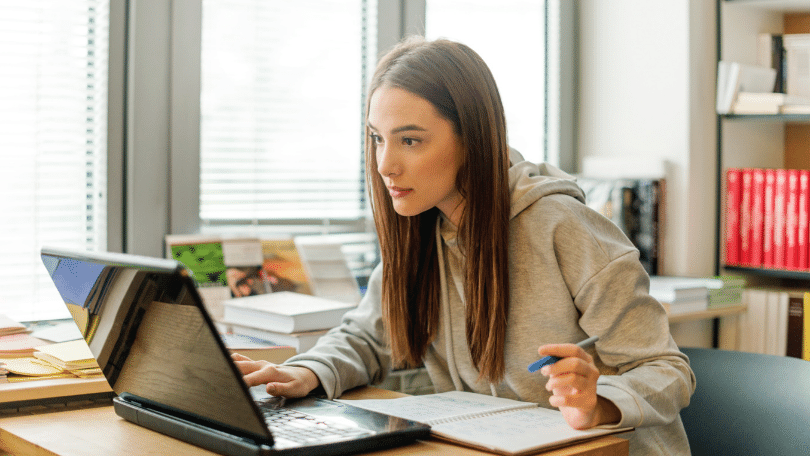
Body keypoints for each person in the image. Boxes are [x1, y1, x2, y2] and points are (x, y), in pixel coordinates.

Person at [232, 36, 696, 455]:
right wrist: (306, 372)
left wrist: (598, 404)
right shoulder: (421, 228)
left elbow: (667, 370)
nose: (385, 165)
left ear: (472, 139)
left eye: (410, 140)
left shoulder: (564, 227)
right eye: (377, 139)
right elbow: (367, 338)